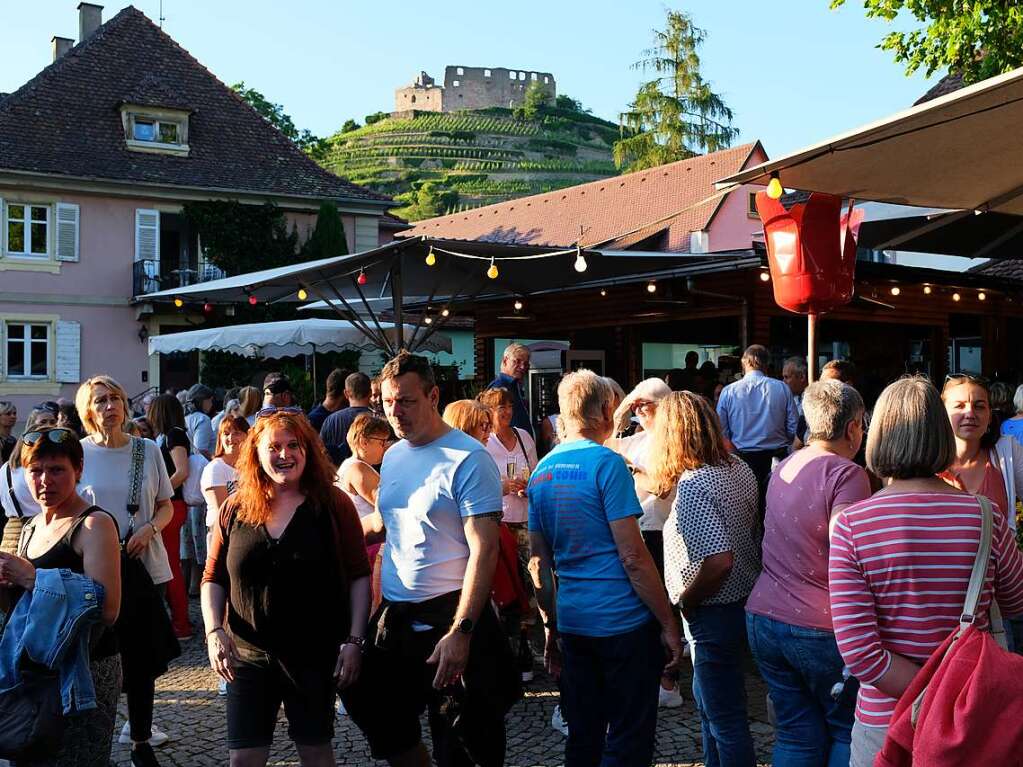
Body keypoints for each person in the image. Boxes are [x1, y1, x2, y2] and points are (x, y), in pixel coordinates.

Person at [828, 376, 1023, 767]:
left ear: (879, 434)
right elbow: (1017, 602)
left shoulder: (852, 525)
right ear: (940, 433)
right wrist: (946, 693)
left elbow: (861, 654)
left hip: (886, 721)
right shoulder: (987, 515)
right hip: (970, 717)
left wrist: (923, 695)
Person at [342, 351, 513, 767]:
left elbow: (484, 549)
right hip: (398, 616)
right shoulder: (395, 455)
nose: (395, 412)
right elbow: (386, 522)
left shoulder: (468, 458)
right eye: (387, 402)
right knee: (367, 702)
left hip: (453, 614)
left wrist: (463, 630)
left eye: (406, 401)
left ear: (433, 395)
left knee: (465, 742)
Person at [528, 370, 683, 767]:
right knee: (629, 736)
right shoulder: (608, 464)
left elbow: (538, 563)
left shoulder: (540, 471)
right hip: (622, 623)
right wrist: (667, 621)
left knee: (584, 733)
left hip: (575, 621)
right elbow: (632, 555)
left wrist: (550, 626)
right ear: (605, 410)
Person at [201, 410, 371, 767]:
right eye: (274, 446)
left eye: (294, 445)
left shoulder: (333, 505)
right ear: (256, 453)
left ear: (308, 451)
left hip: (314, 655)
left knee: (315, 755)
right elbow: (213, 577)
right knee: (243, 759)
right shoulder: (235, 508)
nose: (284, 454)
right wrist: (214, 631)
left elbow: (359, 575)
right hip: (247, 657)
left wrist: (354, 641)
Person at [746, 380, 870, 767]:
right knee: (845, 731)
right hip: (820, 626)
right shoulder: (848, 475)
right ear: (853, 427)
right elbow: (846, 550)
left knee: (796, 734)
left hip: (764, 618)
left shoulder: (784, 465)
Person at [648, 391, 761, 767]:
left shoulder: (695, 484)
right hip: (742, 601)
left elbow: (718, 562)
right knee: (716, 712)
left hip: (712, 609)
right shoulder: (738, 468)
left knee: (723, 718)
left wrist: (688, 600)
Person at [0, 426, 122, 767]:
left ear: (78, 469)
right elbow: (18, 610)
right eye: (35, 470)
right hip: (34, 672)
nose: (44, 481)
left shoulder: (93, 524)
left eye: (56, 470)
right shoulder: (30, 526)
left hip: (83, 672)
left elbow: (109, 608)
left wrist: (33, 577)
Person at [75, 375, 176, 764]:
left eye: (115, 398)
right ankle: (93, 736)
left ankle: (139, 740)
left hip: (142, 565)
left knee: (142, 659)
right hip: (93, 570)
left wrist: (150, 528)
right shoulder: (78, 453)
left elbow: (166, 503)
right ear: (88, 410)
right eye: (100, 400)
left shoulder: (146, 450)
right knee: (96, 658)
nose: (110, 406)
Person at [938, 374, 1023, 653]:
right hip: (940, 597)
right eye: (959, 405)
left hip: (997, 598)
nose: (969, 413)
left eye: (979, 406)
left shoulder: (1007, 451)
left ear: (990, 415)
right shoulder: (925, 461)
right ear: (941, 411)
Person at [716, 344, 798, 525]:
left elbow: (721, 430)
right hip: (777, 458)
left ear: (744, 364)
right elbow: (793, 425)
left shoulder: (729, 391)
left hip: (742, 458)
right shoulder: (782, 388)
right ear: (767, 365)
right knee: (774, 511)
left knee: (745, 513)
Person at [146, 394, 195, 640]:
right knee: (167, 564)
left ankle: (181, 624)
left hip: (171, 505)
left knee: (170, 566)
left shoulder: (175, 435)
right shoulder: (168, 435)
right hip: (169, 505)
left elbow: (181, 471)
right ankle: (177, 621)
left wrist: (159, 494)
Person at [334, 413, 391, 600]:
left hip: (364, 545)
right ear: (364, 441)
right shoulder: (358, 468)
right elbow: (387, 502)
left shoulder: (350, 465)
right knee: (373, 603)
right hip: (370, 547)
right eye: (381, 442)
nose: (385, 447)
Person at [1, 407, 65, 552]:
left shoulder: (5, 468)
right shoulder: (36, 471)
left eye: (53, 421)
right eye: (44, 422)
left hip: (10, 533)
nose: (49, 426)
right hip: (37, 533)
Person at [200, 415, 250, 525]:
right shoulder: (215, 468)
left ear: (248, 436)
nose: (231, 438)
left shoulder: (252, 467)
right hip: (223, 532)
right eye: (226, 434)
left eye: (236, 433)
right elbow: (223, 513)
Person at [320, 372, 373, 466]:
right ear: (370, 393)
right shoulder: (379, 420)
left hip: (338, 475)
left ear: (346, 393)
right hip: (373, 476)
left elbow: (320, 452)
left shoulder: (331, 420)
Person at [488, 343, 533, 439]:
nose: (522, 367)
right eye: (517, 361)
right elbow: (493, 423)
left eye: (525, 363)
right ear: (505, 361)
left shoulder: (515, 385)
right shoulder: (499, 387)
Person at [184, 384, 216, 460]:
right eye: (210, 400)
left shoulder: (185, 417)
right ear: (202, 401)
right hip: (202, 467)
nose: (212, 404)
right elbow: (200, 449)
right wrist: (216, 461)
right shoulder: (203, 419)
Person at [783, 356, 809, 442]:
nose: (784, 382)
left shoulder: (814, 400)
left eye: (787, 377)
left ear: (802, 377)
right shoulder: (793, 398)